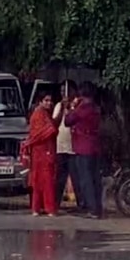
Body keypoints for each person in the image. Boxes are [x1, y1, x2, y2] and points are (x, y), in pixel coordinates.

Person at [64, 83, 104, 219]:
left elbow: (68, 121)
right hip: (95, 147)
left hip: (83, 147)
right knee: (95, 179)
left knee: (85, 179)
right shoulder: (96, 109)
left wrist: (71, 107)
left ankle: (91, 208)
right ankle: (97, 207)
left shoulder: (82, 109)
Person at [23, 93, 60, 216]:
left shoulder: (42, 114)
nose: (49, 103)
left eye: (50, 100)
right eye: (46, 100)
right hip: (42, 151)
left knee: (39, 180)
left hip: (41, 151)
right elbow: (43, 133)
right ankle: (49, 209)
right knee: (46, 180)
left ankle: (37, 208)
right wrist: (52, 129)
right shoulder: (39, 114)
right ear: (40, 102)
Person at [51, 81, 81, 211]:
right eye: (62, 91)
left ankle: (82, 204)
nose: (64, 93)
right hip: (60, 145)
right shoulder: (59, 105)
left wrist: (70, 109)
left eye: (67, 91)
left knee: (77, 177)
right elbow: (55, 122)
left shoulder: (78, 105)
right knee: (59, 178)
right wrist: (63, 108)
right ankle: (55, 204)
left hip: (74, 147)